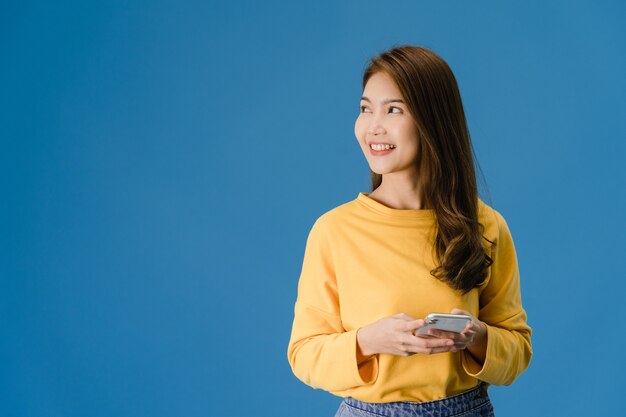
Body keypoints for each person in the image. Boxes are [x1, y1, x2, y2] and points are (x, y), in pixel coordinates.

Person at [286, 45, 532, 417]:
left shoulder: (485, 225)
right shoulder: (334, 231)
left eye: (394, 110)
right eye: (366, 108)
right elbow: (303, 354)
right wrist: (369, 340)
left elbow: (517, 352)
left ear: (433, 121)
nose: (373, 126)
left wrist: (475, 336)